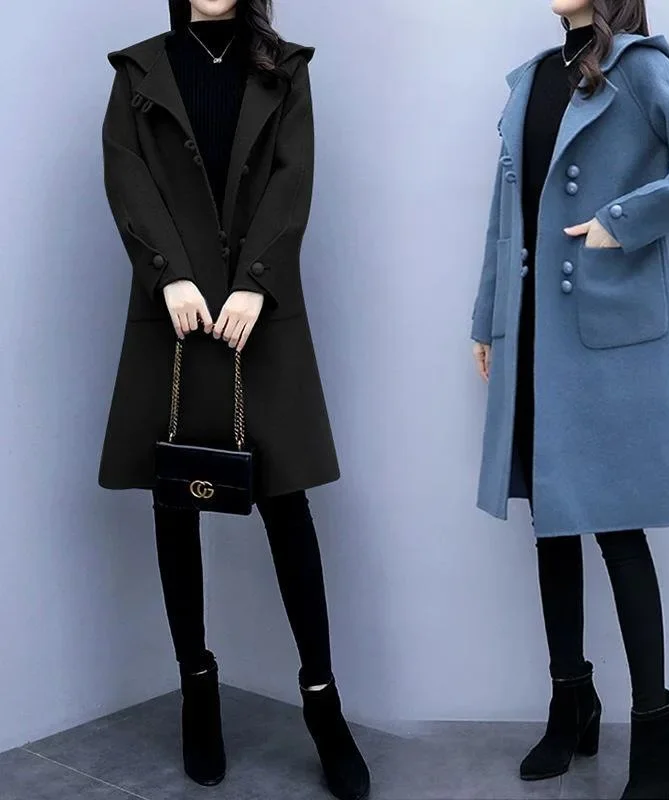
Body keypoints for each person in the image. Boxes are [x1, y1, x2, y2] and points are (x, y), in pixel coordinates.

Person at [470, 1, 669, 797]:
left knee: (618, 528)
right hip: (532, 329)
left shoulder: (638, 67)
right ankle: (571, 702)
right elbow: (505, 215)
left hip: (602, 333)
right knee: (551, 526)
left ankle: (656, 729)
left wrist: (621, 221)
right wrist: (488, 317)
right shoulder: (531, 81)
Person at [98, 2, 370, 798]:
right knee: (174, 499)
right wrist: (170, 275)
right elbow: (127, 176)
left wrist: (256, 282)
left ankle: (322, 703)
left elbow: (292, 178)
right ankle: (197, 690)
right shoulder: (139, 69)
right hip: (175, 314)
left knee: (287, 505)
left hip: (260, 313)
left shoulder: (285, 67)